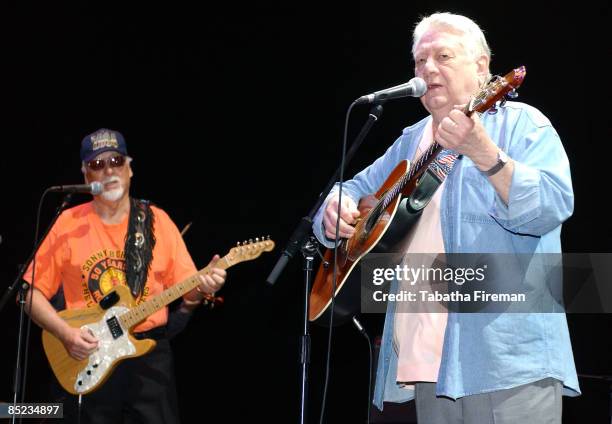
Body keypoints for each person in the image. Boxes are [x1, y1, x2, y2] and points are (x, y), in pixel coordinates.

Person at [313, 12, 579, 424]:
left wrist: (485, 153)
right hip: (425, 369)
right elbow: (346, 190)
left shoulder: (522, 124)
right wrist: (333, 212)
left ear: (481, 66)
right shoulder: (410, 142)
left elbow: (551, 207)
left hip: (505, 362)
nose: (427, 69)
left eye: (443, 56)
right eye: (420, 61)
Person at [23, 128, 226, 423]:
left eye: (116, 161)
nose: (108, 170)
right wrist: (65, 334)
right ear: (85, 175)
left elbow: (190, 292)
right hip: (89, 355)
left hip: (149, 358)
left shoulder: (157, 221)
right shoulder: (66, 224)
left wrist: (206, 283)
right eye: (97, 164)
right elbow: (28, 292)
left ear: (130, 168)